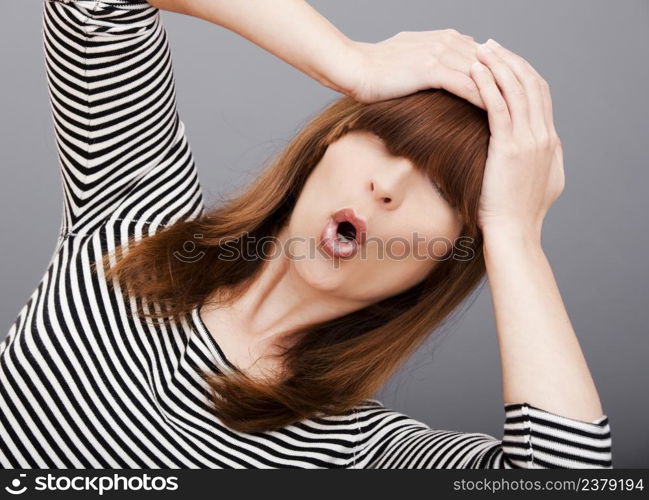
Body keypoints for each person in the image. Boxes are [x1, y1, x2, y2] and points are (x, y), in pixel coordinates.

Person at [0, 0, 612, 468]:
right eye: (387, 143)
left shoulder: (357, 452)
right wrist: (350, 60)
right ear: (329, 143)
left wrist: (514, 234)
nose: (388, 187)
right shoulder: (131, 218)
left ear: (451, 255)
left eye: (443, 191)